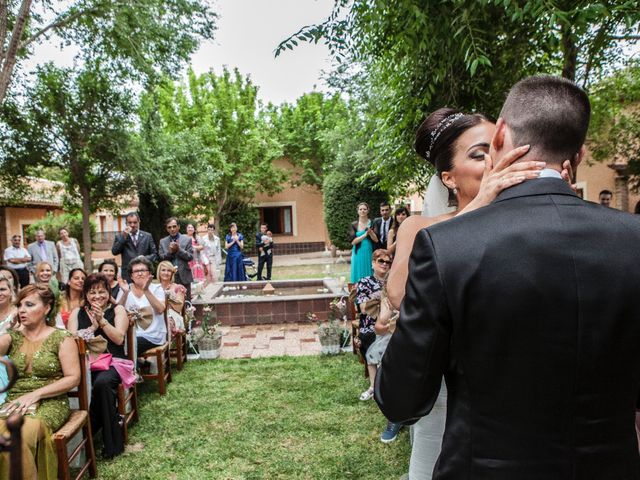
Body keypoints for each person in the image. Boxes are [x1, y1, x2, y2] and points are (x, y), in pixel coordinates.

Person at [376, 76, 640, 479]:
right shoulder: (632, 240)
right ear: (581, 153)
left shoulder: (449, 247)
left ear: (501, 134)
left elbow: (401, 401)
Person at [0, 284, 80, 479]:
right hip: (15, 402)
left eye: (29, 305)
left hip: (50, 402)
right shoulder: (13, 337)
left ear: (47, 307)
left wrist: (35, 394)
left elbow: (73, 378)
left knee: (18, 438)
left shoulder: (61, 337)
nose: (22, 310)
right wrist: (9, 329)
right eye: (19, 305)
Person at [68, 273, 129, 459]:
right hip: (85, 363)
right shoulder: (77, 313)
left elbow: (119, 338)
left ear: (108, 292)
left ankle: (112, 444)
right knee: (81, 384)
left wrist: (102, 321)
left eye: (101, 292)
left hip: (112, 362)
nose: (97, 296)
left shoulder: (118, 310)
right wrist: (92, 328)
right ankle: (84, 435)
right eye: (92, 292)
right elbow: (71, 340)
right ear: (85, 294)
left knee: (101, 384)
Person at [120, 257, 166, 357]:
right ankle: (138, 365)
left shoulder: (157, 288)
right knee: (118, 343)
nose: (139, 273)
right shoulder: (125, 289)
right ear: (131, 276)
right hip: (130, 334)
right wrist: (125, 293)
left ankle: (132, 369)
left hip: (153, 335)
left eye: (143, 270)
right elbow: (117, 311)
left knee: (130, 344)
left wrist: (146, 290)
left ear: (149, 273)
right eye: (136, 271)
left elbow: (160, 309)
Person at [111, 212, 158, 283]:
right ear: (126, 223)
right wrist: (124, 237)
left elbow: (154, 255)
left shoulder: (147, 236)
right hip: (128, 275)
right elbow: (114, 251)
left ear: (139, 222)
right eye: (130, 223)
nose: (132, 225)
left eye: (135, 222)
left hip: (144, 273)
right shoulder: (120, 236)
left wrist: (144, 258)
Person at [159, 217, 194, 300]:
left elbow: (190, 257)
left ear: (178, 227)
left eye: (174, 226)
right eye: (169, 227)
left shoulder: (187, 239)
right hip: (168, 277)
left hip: (184, 276)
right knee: (170, 302)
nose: (172, 229)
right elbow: (161, 258)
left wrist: (179, 250)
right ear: (167, 229)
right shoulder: (163, 241)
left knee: (186, 302)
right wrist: (170, 252)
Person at [349, 202, 378, 284]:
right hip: (357, 253)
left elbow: (376, 240)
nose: (362, 211)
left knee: (368, 271)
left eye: (364, 209)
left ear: (368, 211)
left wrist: (371, 233)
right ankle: (356, 294)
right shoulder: (354, 225)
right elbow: (353, 242)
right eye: (360, 209)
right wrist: (365, 234)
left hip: (369, 251)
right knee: (358, 272)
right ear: (357, 211)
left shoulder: (372, 223)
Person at [157, 261, 187, 337]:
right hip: (157, 317)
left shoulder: (178, 288)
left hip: (173, 317)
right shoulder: (154, 288)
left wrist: (168, 297)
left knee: (165, 322)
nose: (166, 273)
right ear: (159, 272)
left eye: (169, 270)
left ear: (172, 273)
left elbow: (178, 308)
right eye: (163, 270)